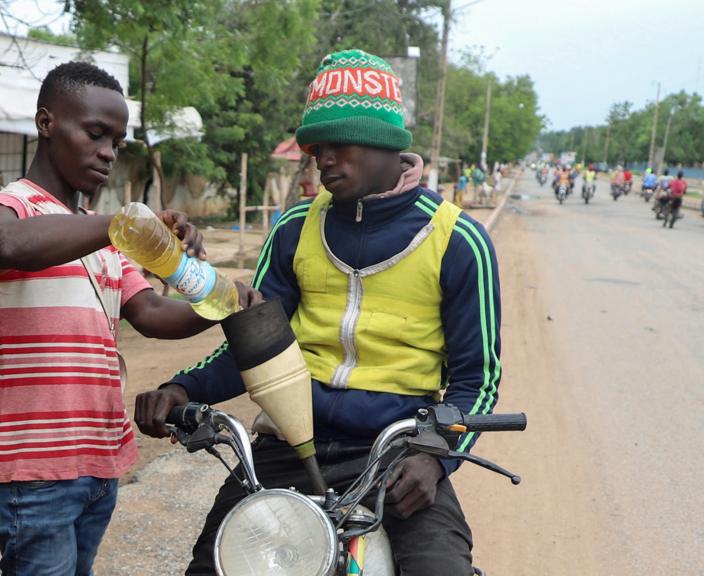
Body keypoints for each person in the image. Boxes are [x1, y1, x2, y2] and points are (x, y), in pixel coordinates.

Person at [135, 49, 502, 576]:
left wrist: (436, 457)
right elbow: (254, 345)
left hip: (395, 456)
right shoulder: (293, 229)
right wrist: (183, 391)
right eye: (315, 148)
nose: (323, 159)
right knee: (210, 566)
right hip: (286, 443)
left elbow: (478, 380)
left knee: (440, 567)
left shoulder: (458, 240)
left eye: (338, 144)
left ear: (386, 142)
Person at [0, 61, 257, 576]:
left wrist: (222, 298)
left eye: (117, 142)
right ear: (46, 122)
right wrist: (125, 224)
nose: (107, 151)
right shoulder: (7, 207)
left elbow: (150, 313)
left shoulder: (100, 237)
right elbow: (5, 243)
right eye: (95, 133)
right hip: (34, 470)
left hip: (99, 464)